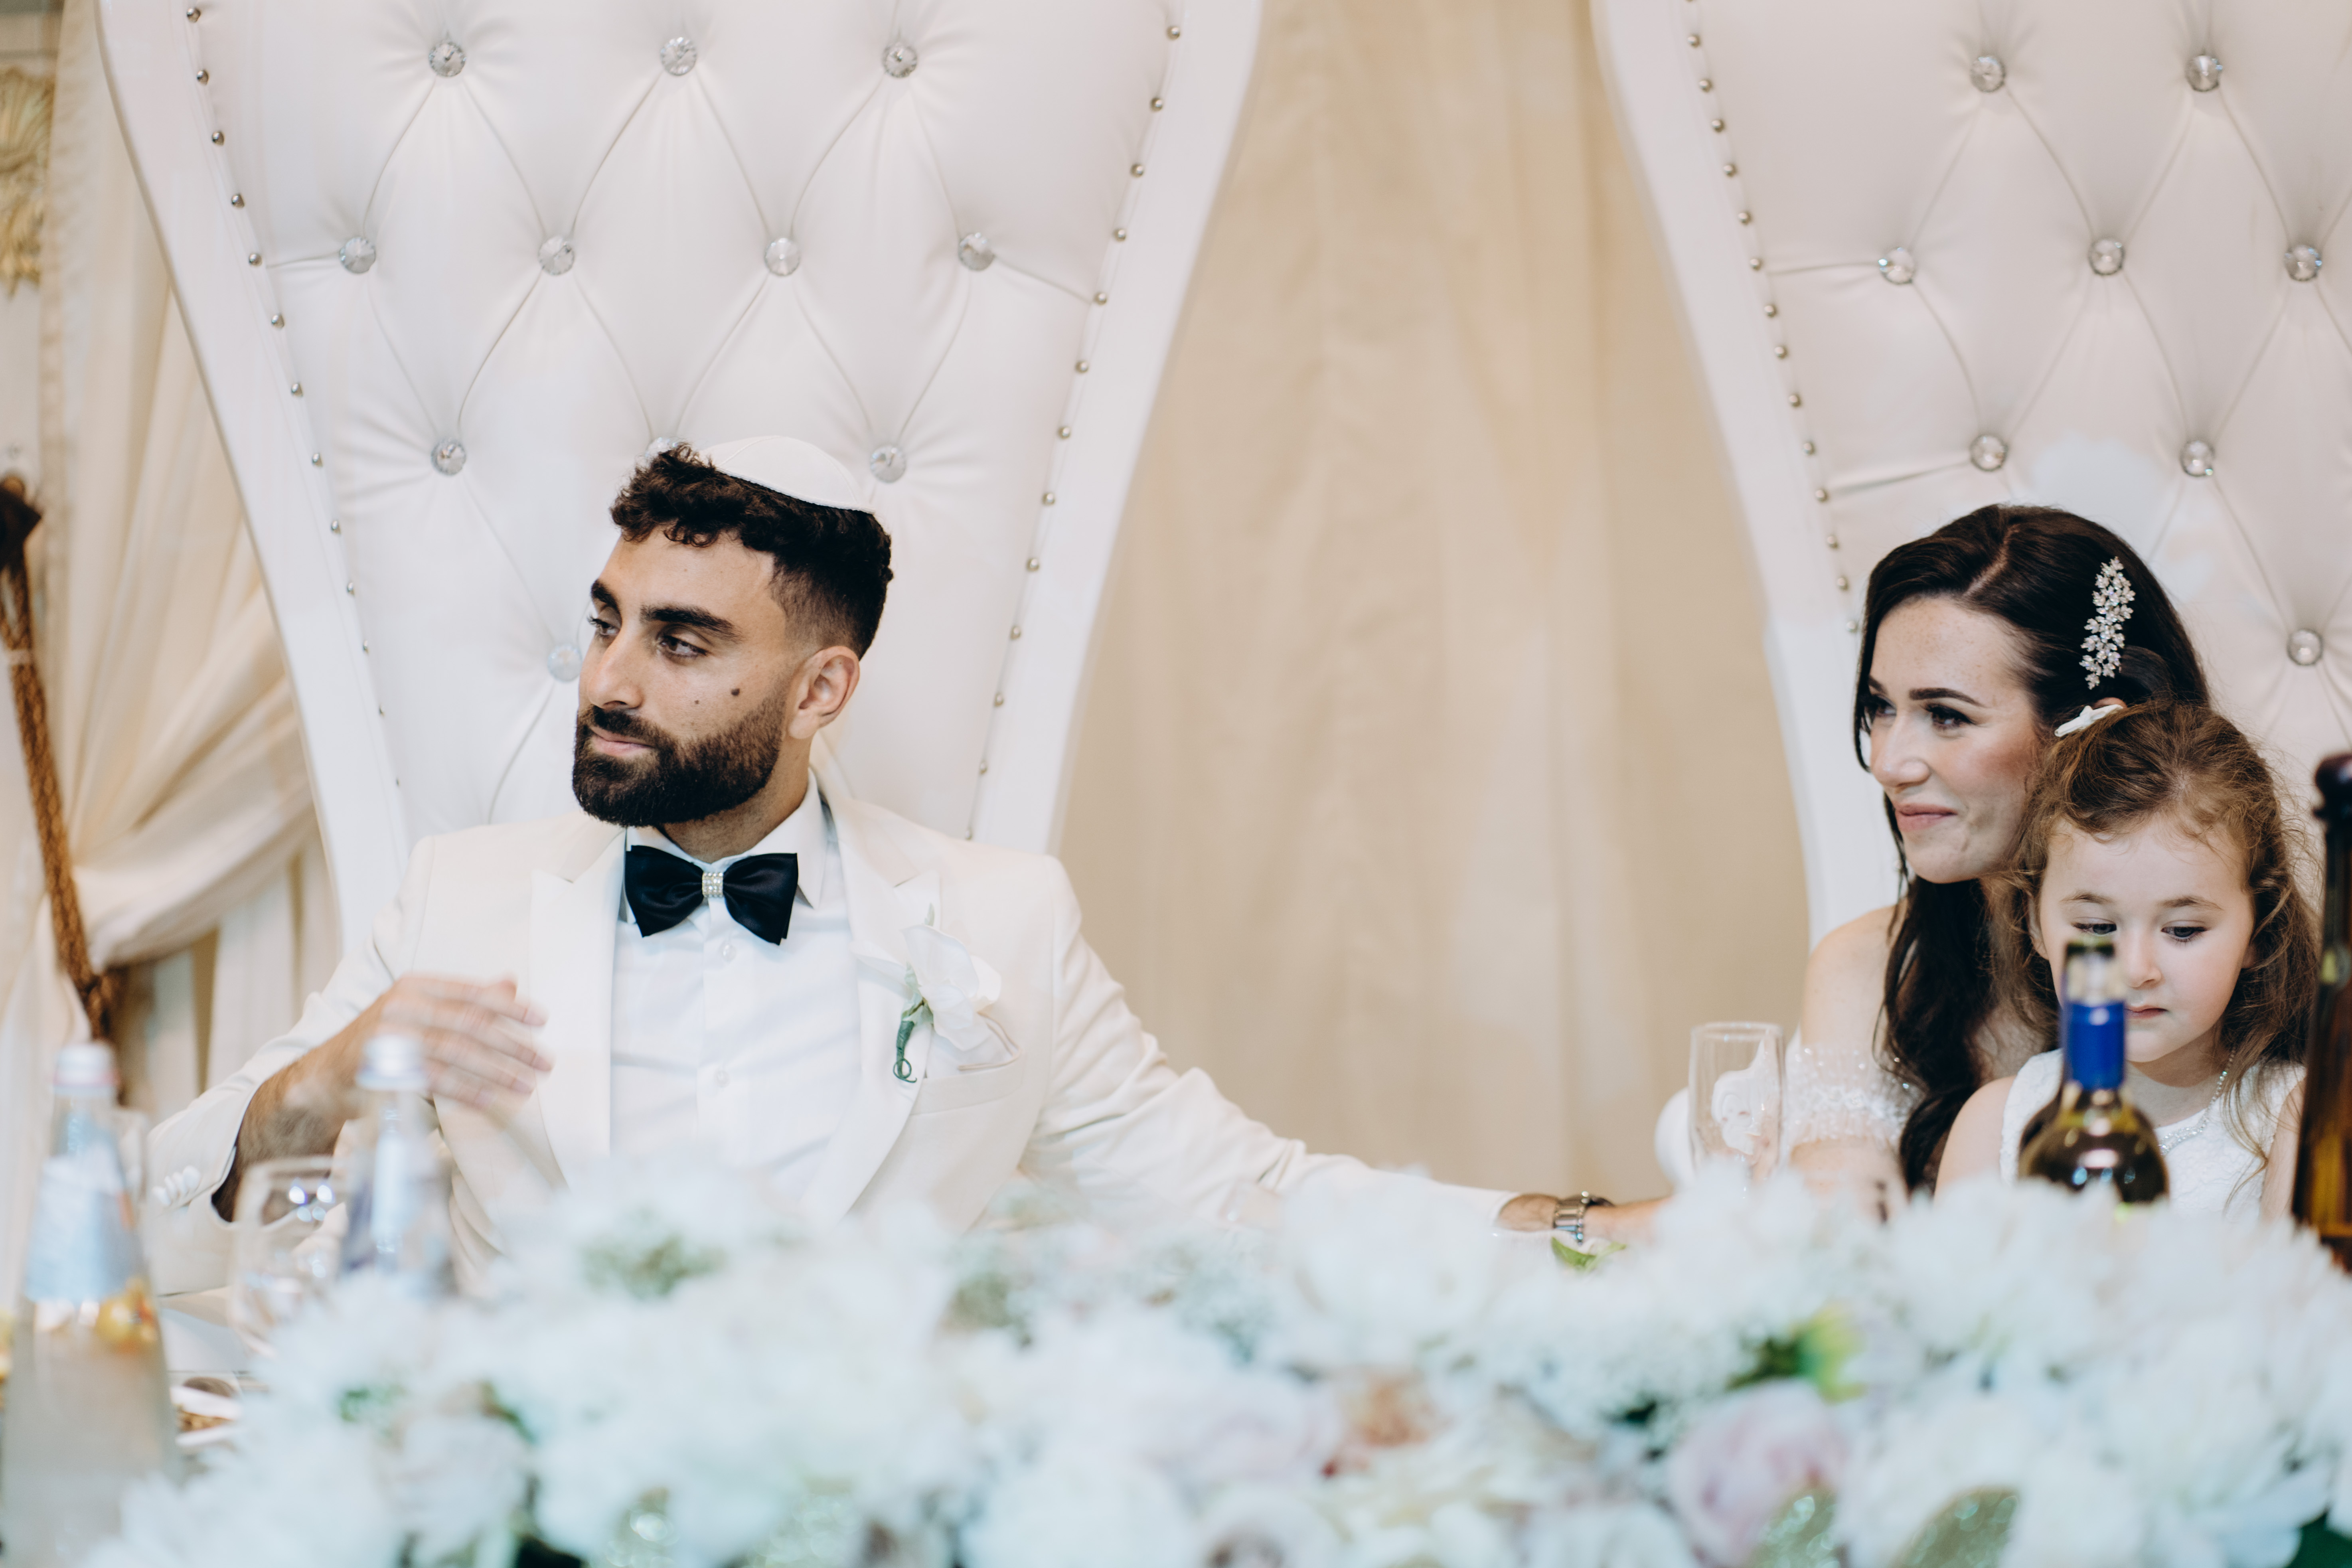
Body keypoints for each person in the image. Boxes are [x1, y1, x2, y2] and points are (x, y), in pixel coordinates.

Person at [142, 438, 1580, 1294]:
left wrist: (1577, 1237)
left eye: (682, 642)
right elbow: (156, 1226)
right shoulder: (458, 899)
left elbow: (1240, 1200)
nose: (609, 680)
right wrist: (318, 1085)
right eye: (607, 622)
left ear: (821, 691)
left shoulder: (1000, 923)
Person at [1788, 507, 2213, 1198]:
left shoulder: (2194, 987)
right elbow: (1828, 1232)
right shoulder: (1868, 968)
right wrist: (1592, 1220)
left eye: (1946, 715)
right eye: (1881, 706)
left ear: (2095, 728)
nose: (1889, 762)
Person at [1937, 701, 2314, 1216]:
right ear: (2035, 924)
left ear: (2259, 931)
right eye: (2097, 929)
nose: (2136, 971)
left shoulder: (2296, 1119)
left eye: (2183, 931)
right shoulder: (1996, 1122)